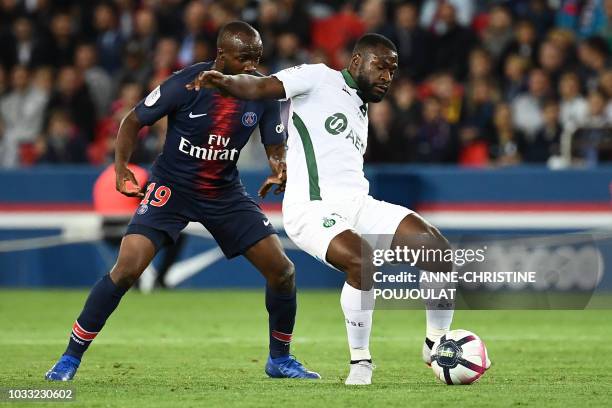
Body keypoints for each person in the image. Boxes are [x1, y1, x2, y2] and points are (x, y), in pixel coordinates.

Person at [188, 33, 491, 385]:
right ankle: (361, 362)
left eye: (393, 72)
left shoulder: (361, 106)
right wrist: (225, 81)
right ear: (357, 61)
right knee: (361, 259)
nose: (387, 77)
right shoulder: (318, 77)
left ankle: (435, 342)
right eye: (381, 67)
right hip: (311, 210)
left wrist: (287, 164)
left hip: (358, 205)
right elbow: (262, 88)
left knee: (437, 251)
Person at [45, 21, 319, 381]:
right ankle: (69, 358)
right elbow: (132, 121)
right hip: (172, 188)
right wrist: (121, 167)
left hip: (223, 192)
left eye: (257, 57)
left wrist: (278, 168)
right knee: (127, 268)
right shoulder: (187, 82)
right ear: (221, 55)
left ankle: (280, 360)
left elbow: (274, 145)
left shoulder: (262, 91)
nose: (252, 66)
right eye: (244, 58)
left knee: (283, 272)